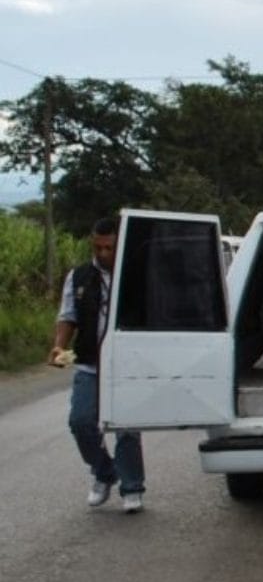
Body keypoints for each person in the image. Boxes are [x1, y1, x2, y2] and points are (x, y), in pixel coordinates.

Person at [49, 216, 146, 513]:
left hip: (127, 365)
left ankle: (132, 488)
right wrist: (59, 346)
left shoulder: (136, 276)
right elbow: (68, 316)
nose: (103, 254)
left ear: (120, 246)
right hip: (90, 363)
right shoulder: (78, 277)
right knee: (80, 422)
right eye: (98, 248)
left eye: (109, 248)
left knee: (126, 428)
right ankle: (104, 473)